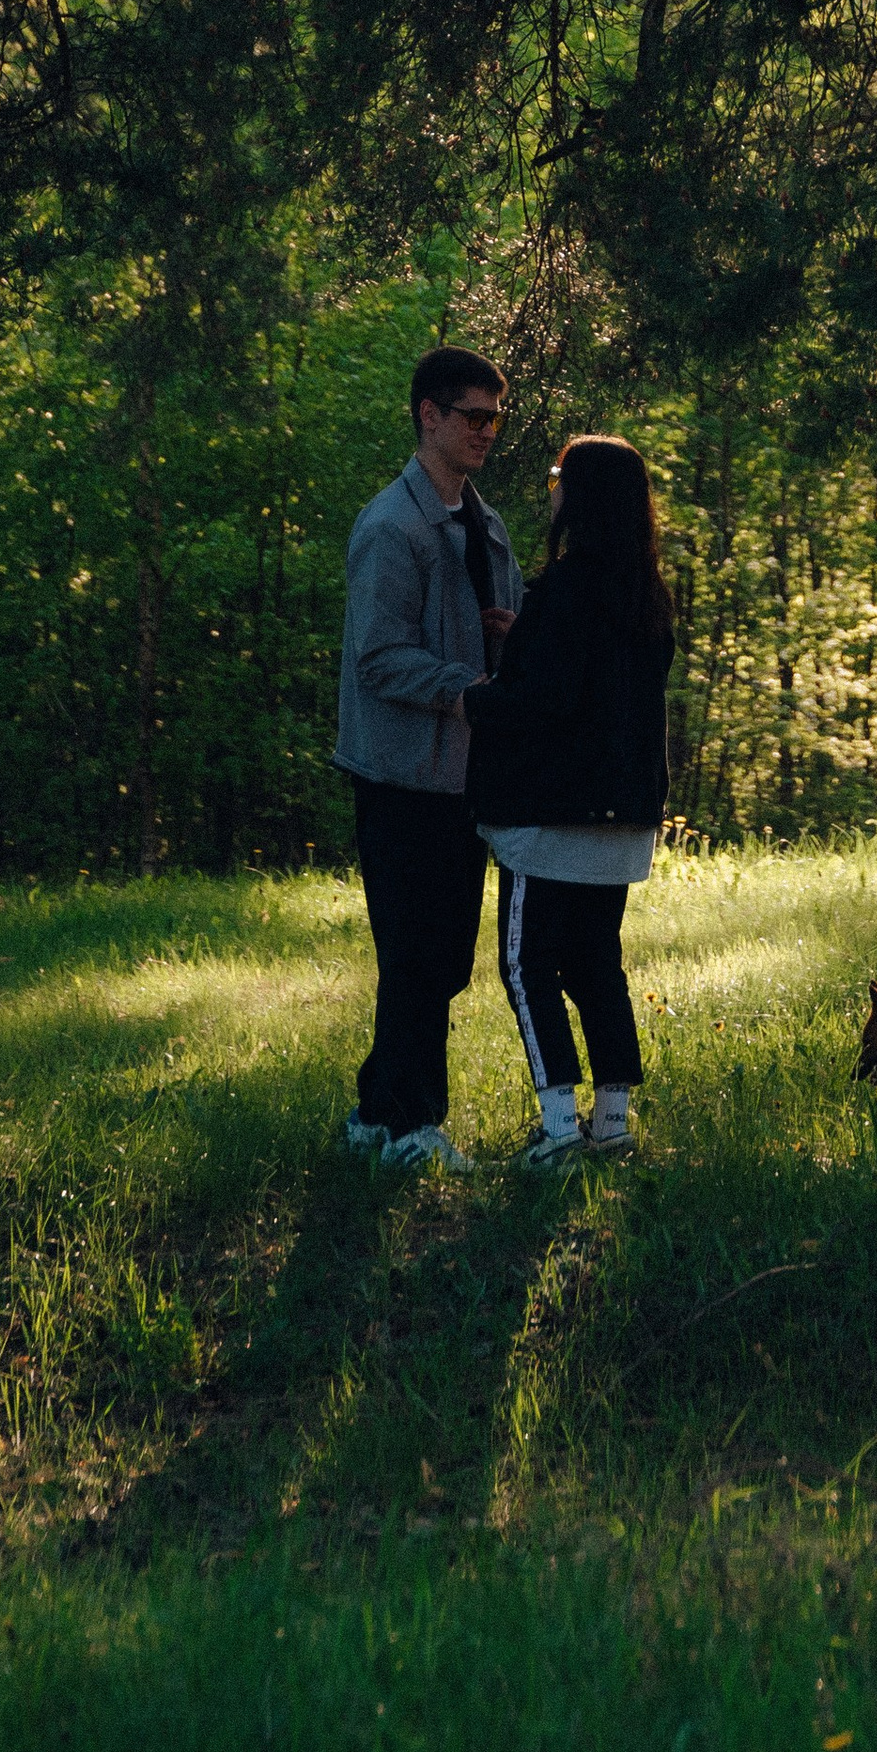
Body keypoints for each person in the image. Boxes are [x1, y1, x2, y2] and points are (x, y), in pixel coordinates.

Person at [464, 432, 676, 1166]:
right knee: (596, 966)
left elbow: (546, 701)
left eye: (558, 473)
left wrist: (477, 698)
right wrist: (529, 637)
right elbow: (601, 682)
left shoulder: (564, 590)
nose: (550, 483)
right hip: (623, 818)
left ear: (578, 496)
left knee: (527, 968)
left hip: (552, 817)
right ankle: (610, 1125)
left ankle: (557, 1133)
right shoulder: (645, 594)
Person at [335, 346, 523, 1170]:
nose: (486, 432)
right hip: (400, 777)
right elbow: (378, 658)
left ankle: (376, 1116)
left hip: (464, 779)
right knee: (414, 953)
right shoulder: (392, 527)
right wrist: (466, 689)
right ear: (428, 416)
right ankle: (415, 1128)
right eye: (472, 416)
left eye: (495, 418)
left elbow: (503, 627)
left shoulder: (484, 525)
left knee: (441, 958)